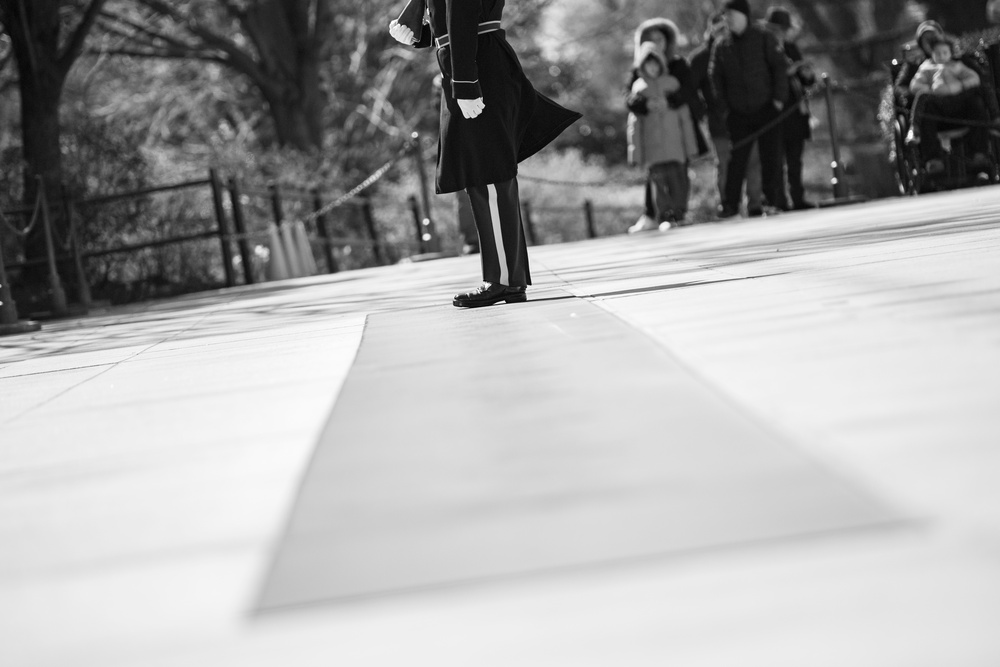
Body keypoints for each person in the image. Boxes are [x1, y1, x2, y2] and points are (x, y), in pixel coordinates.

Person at [389, 0, 580, 307]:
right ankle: (507, 278)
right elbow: (456, 18)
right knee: (485, 176)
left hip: (477, 68)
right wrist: (419, 34)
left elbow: (463, 17)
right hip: (477, 62)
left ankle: (503, 280)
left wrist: (464, 84)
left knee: (489, 176)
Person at [625, 18, 708, 232]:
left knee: (678, 175)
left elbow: (689, 93)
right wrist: (646, 104)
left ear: (667, 40)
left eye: (659, 39)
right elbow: (630, 99)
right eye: (650, 39)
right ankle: (653, 214)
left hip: (676, 134)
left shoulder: (678, 65)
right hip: (651, 138)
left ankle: (678, 213)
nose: (656, 43)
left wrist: (669, 101)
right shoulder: (639, 70)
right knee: (655, 178)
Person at [710, 0, 790, 218]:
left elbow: (779, 68)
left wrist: (778, 100)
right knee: (736, 162)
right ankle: (730, 205)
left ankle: (772, 201)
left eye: (732, 15)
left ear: (744, 15)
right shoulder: (722, 44)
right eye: (726, 16)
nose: (728, 20)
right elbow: (715, 77)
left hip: (766, 108)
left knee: (771, 158)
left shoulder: (764, 37)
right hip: (737, 113)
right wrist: (725, 108)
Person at [688, 10, 764, 216]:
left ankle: (755, 204)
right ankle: (728, 204)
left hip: (746, 116)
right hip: (719, 121)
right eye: (718, 27)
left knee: (753, 160)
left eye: (726, 26)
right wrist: (703, 111)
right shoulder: (700, 58)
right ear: (710, 29)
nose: (723, 31)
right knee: (725, 163)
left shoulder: (741, 49)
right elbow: (689, 90)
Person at [907, 34, 991, 173]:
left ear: (950, 53)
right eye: (937, 53)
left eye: (944, 53)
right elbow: (915, 85)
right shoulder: (926, 68)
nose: (941, 56)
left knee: (976, 102)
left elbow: (974, 78)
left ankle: (979, 153)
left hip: (958, 105)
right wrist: (930, 90)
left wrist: (962, 85)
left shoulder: (957, 66)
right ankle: (929, 154)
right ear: (931, 54)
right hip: (937, 106)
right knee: (925, 103)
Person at [765, 6, 816, 210]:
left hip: (796, 111)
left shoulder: (791, 48)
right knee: (777, 160)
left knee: (795, 159)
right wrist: (787, 71)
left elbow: (805, 80)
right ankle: (779, 201)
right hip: (777, 112)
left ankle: (798, 197)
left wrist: (805, 74)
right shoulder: (765, 49)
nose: (782, 33)